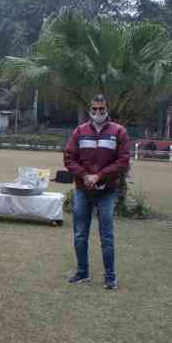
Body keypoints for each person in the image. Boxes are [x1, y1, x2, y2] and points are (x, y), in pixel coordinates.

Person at [63, 94, 130, 290]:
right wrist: (85, 176)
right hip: (83, 190)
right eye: (94, 109)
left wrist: (99, 176)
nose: (98, 113)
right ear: (89, 110)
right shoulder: (80, 131)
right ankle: (82, 273)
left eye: (101, 109)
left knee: (107, 236)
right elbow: (69, 158)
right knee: (80, 234)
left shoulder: (119, 131)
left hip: (107, 191)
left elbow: (123, 161)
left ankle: (110, 277)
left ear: (107, 109)